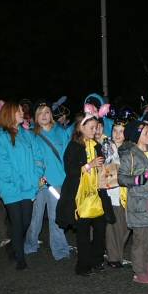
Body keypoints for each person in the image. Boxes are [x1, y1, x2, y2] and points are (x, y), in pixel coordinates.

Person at [0, 102, 44, 270]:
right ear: (10, 113)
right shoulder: (2, 137)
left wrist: (37, 175)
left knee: (26, 221)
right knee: (17, 222)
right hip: (12, 188)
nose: (23, 113)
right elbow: (3, 165)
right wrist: (12, 184)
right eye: (19, 111)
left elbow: (38, 157)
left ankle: (13, 245)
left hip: (29, 187)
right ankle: (20, 258)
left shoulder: (27, 134)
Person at [56, 111, 108, 276]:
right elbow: (70, 171)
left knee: (100, 230)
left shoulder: (97, 146)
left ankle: (97, 260)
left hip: (97, 194)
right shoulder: (73, 147)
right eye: (92, 127)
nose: (95, 130)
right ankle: (83, 266)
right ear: (81, 127)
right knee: (83, 232)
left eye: (96, 127)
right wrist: (89, 165)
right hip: (80, 196)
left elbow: (101, 169)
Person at [118, 120, 148, 284]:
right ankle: (139, 272)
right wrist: (138, 179)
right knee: (141, 238)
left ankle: (145, 260)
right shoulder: (129, 155)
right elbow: (121, 177)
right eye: (145, 133)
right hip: (139, 202)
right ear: (137, 136)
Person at [25, 101, 71, 261]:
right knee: (35, 217)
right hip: (38, 182)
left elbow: (66, 155)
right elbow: (29, 159)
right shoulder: (31, 134)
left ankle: (60, 250)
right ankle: (30, 244)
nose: (44, 116)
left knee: (55, 217)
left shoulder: (61, 132)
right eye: (40, 113)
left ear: (51, 114)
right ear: (36, 117)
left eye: (47, 112)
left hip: (57, 181)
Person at [104, 119, 130, 268]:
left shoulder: (130, 148)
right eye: (115, 130)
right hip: (112, 191)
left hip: (127, 192)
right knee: (113, 225)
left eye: (121, 131)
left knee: (125, 226)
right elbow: (107, 170)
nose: (118, 134)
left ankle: (116, 254)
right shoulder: (106, 146)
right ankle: (114, 257)